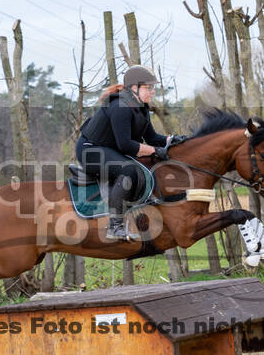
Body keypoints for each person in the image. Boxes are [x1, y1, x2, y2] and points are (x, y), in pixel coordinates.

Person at [76, 65, 185, 241]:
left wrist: (171, 141)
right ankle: (114, 226)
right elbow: (126, 145)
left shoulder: (141, 107)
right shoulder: (120, 106)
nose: (153, 92)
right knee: (128, 170)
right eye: (148, 88)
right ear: (134, 88)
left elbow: (151, 137)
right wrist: (155, 151)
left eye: (153, 88)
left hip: (109, 148)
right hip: (90, 150)